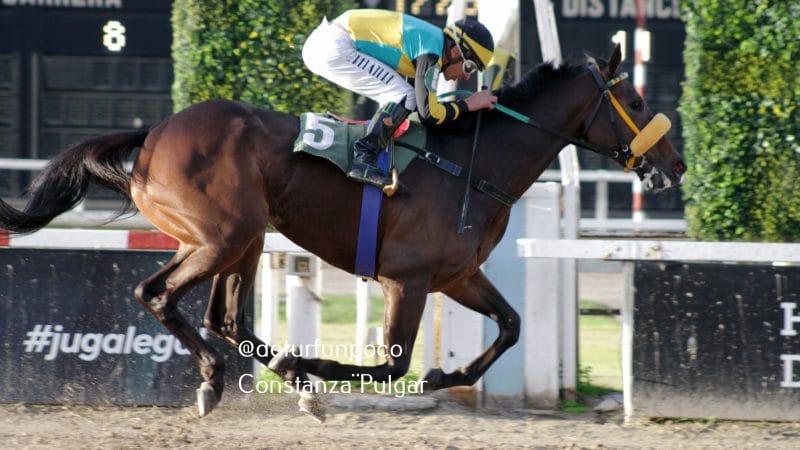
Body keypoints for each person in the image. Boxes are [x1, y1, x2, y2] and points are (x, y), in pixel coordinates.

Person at [303, 9, 498, 188]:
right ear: (456, 52)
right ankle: (363, 158)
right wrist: (469, 104)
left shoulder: (431, 41)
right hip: (333, 47)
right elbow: (429, 114)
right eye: (469, 68)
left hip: (329, 41)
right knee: (404, 95)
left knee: (404, 95)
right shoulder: (430, 53)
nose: (466, 76)